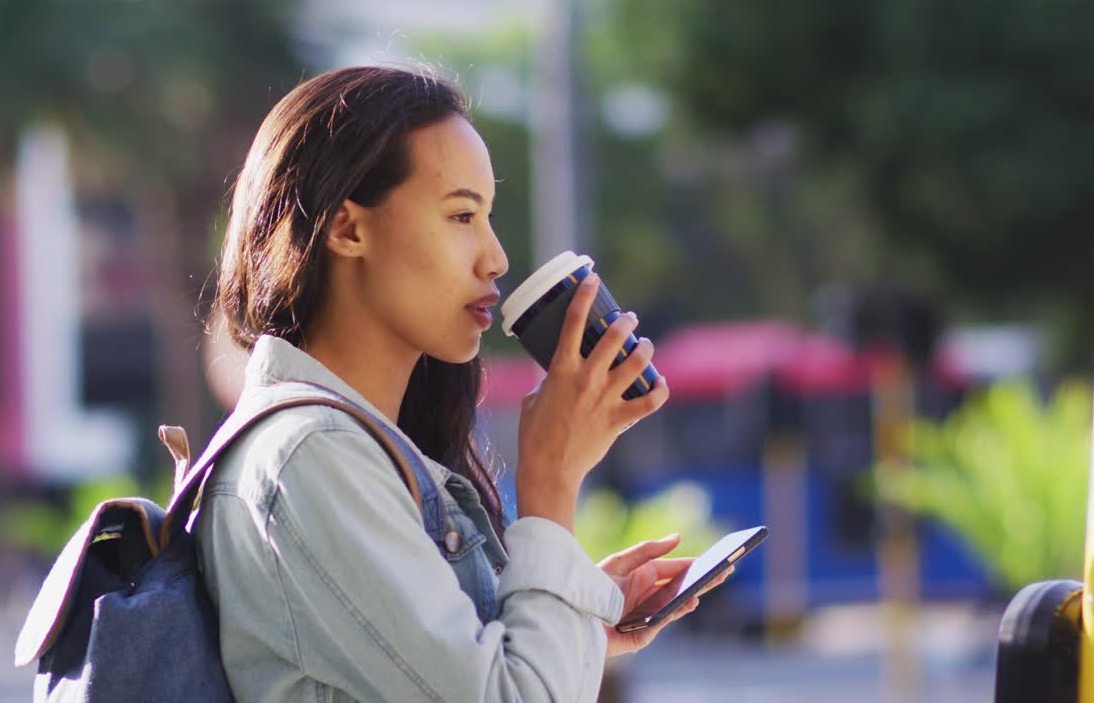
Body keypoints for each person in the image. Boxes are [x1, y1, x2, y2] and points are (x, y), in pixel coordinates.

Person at [195, 65, 728, 703]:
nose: (496, 257)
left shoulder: (356, 448)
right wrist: (550, 477)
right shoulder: (310, 457)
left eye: (488, 216)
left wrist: (566, 614)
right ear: (348, 229)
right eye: (460, 216)